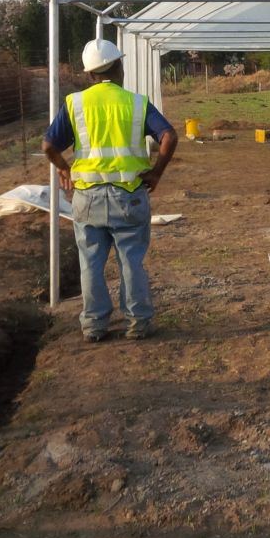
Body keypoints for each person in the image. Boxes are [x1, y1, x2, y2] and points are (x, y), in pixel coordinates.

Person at [43, 39, 178, 342]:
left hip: (87, 198)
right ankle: (138, 323)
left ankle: (94, 326)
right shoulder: (136, 102)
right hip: (128, 196)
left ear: (89, 74)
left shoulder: (75, 103)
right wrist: (156, 172)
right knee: (130, 260)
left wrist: (64, 169)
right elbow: (168, 135)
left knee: (90, 262)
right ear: (119, 66)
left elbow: (49, 146)